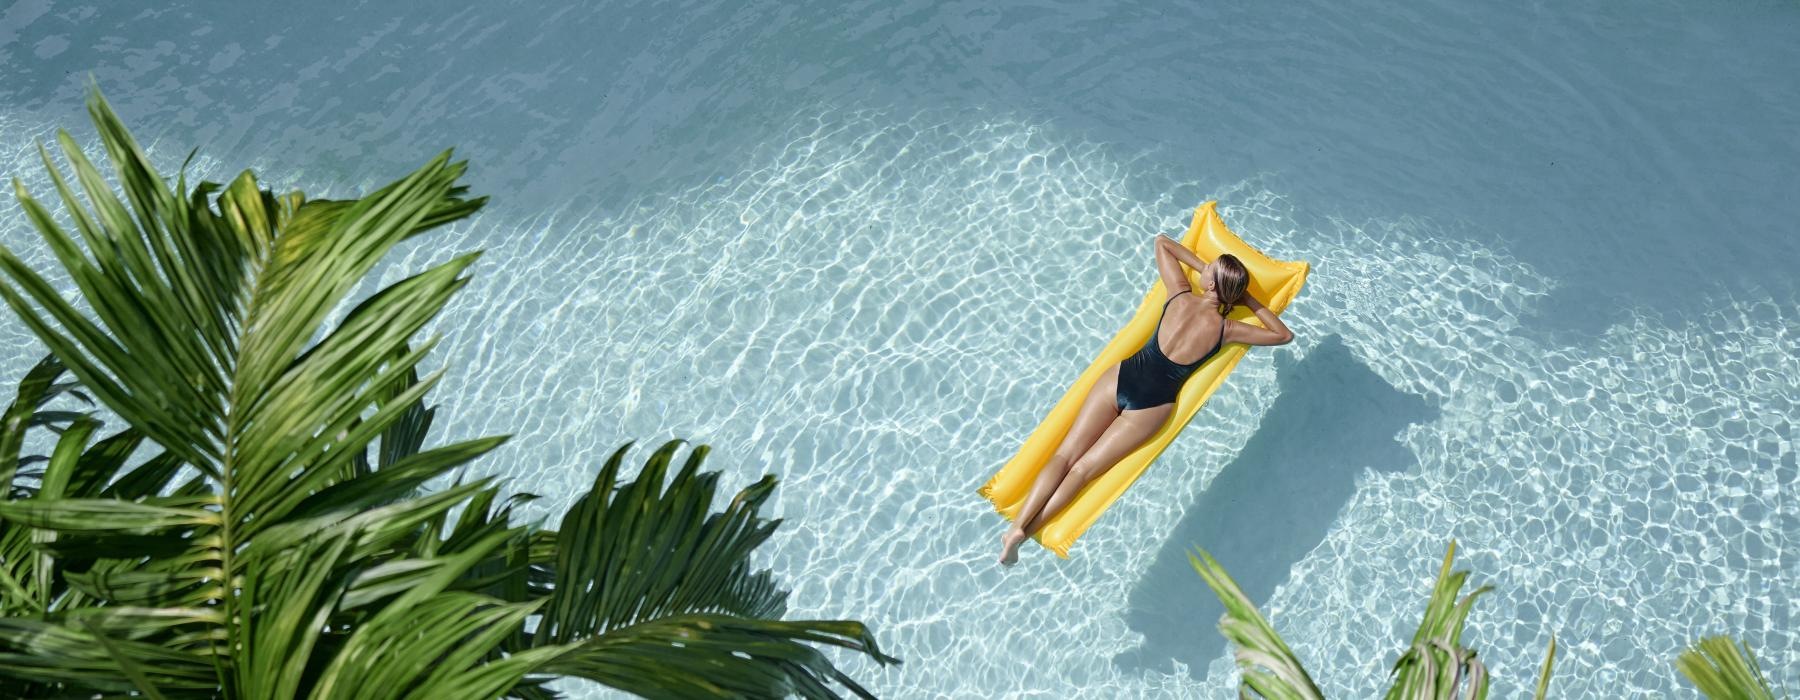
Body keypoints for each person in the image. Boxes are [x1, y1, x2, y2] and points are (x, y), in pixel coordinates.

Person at [998, 233, 1295, 566]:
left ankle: (1016, 525)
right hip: (1153, 404)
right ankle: (1027, 532)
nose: (1205, 266)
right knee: (1082, 471)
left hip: (1124, 377)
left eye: (1210, 267)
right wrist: (1247, 300)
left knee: (1066, 454)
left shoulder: (1179, 294)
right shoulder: (1227, 329)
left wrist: (1203, 270)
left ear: (1211, 283)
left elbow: (1162, 243)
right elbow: (1283, 335)